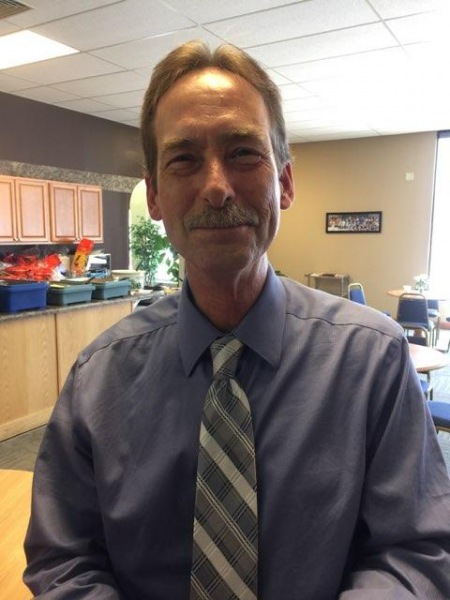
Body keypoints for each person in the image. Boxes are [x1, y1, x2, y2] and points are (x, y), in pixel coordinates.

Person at [24, 40, 450, 599]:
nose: (217, 187)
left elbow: (415, 552)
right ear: (155, 196)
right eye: (183, 160)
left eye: (244, 153)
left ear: (285, 183)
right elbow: (64, 560)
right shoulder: (97, 379)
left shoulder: (373, 361)